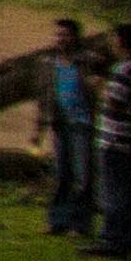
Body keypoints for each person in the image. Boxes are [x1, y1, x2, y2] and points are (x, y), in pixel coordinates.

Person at [44, 19, 105, 237]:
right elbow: (48, 95)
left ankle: (80, 225)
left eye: (65, 35)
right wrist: (42, 125)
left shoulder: (86, 61)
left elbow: (99, 80)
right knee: (61, 175)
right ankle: (57, 222)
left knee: (83, 177)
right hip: (61, 125)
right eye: (58, 35)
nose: (61, 39)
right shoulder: (52, 63)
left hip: (82, 125)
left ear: (75, 37)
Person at [95, 22, 131, 261]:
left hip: (115, 139)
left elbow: (115, 101)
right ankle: (129, 239)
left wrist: (101, 89)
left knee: (114, 191)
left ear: (123, 42)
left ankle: (113, 240)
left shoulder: (124, 69)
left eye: (115, 39)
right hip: (130, 138)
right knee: (128, 192)